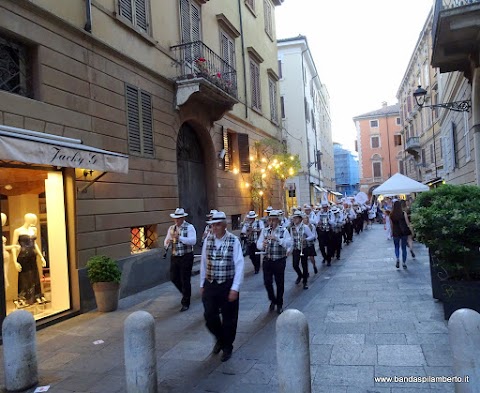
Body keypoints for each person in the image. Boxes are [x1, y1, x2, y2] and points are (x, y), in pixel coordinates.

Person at [200, 211, 244, 362]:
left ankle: (227, 346)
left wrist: (235, 288)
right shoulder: (208, 240)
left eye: (218, 224)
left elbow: (239, 264)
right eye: (212, 225)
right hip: (211, 283)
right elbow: (204, 263)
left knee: (229, 318)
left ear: (225, 225)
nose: (214, 227)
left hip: (227, 283)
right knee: (209, 315)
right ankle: (220, 338)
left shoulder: (233, 241)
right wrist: (202, 283)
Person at [256, 210, 291, 314]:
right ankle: (273, 299)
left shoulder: (283, 231)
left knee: (279, 283)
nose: (271, 222)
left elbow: (288, 244)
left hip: (279, 260)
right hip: (267, 260)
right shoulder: (264, 231)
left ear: (278, 221)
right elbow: (258, 244)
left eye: (274, 220)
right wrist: (263, 244)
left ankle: (279, 303)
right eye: (270, 220)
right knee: (267, 282)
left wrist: (277, 239)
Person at [164, 207, 197, 312]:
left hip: (186, 256)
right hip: (175, 255)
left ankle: (186, 302)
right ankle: (185, 293)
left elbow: (193, 241)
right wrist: (167, 243)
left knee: (185, 279)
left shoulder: (189, 227)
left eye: (178, 218)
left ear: (183, 218)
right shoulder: (171, 228)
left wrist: (180, 238)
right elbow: (166, 240)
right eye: (175, 219)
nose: (176, 221)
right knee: (174, 277)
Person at [11, 213, 47, 306]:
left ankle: (36, 296)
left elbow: (34, 244)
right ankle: (23, 297)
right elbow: (14, 246)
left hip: (32, 256)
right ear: (27, 220)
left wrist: (41, 257)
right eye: (32, 220)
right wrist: (15, 261)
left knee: (34, 275)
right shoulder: (18, 231)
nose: (34, 222)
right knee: (24, 277)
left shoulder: (33, 230)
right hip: (23, 256)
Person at [289, 210, 315, 289]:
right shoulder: (292, 228)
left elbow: (312, 236)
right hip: (296, 248)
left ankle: (305, 282)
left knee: (304, 265)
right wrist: (290, 249)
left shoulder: (305, 227)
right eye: (294, 218)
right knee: (295, 265)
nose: (294, 220)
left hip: (304, 248)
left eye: (296, 218)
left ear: (300, 219)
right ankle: (300, 275)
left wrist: (306, 239)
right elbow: (291, 239)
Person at [389, 200, 412, 269]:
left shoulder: (391, 214)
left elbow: (391, 225)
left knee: (396, 247)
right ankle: (404, 262)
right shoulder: (403, 213)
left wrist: (391, 233)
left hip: (395, 232)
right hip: (403, 232)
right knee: (404, 247)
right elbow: (407, 223)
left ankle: (398, 258)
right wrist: (411, 229)